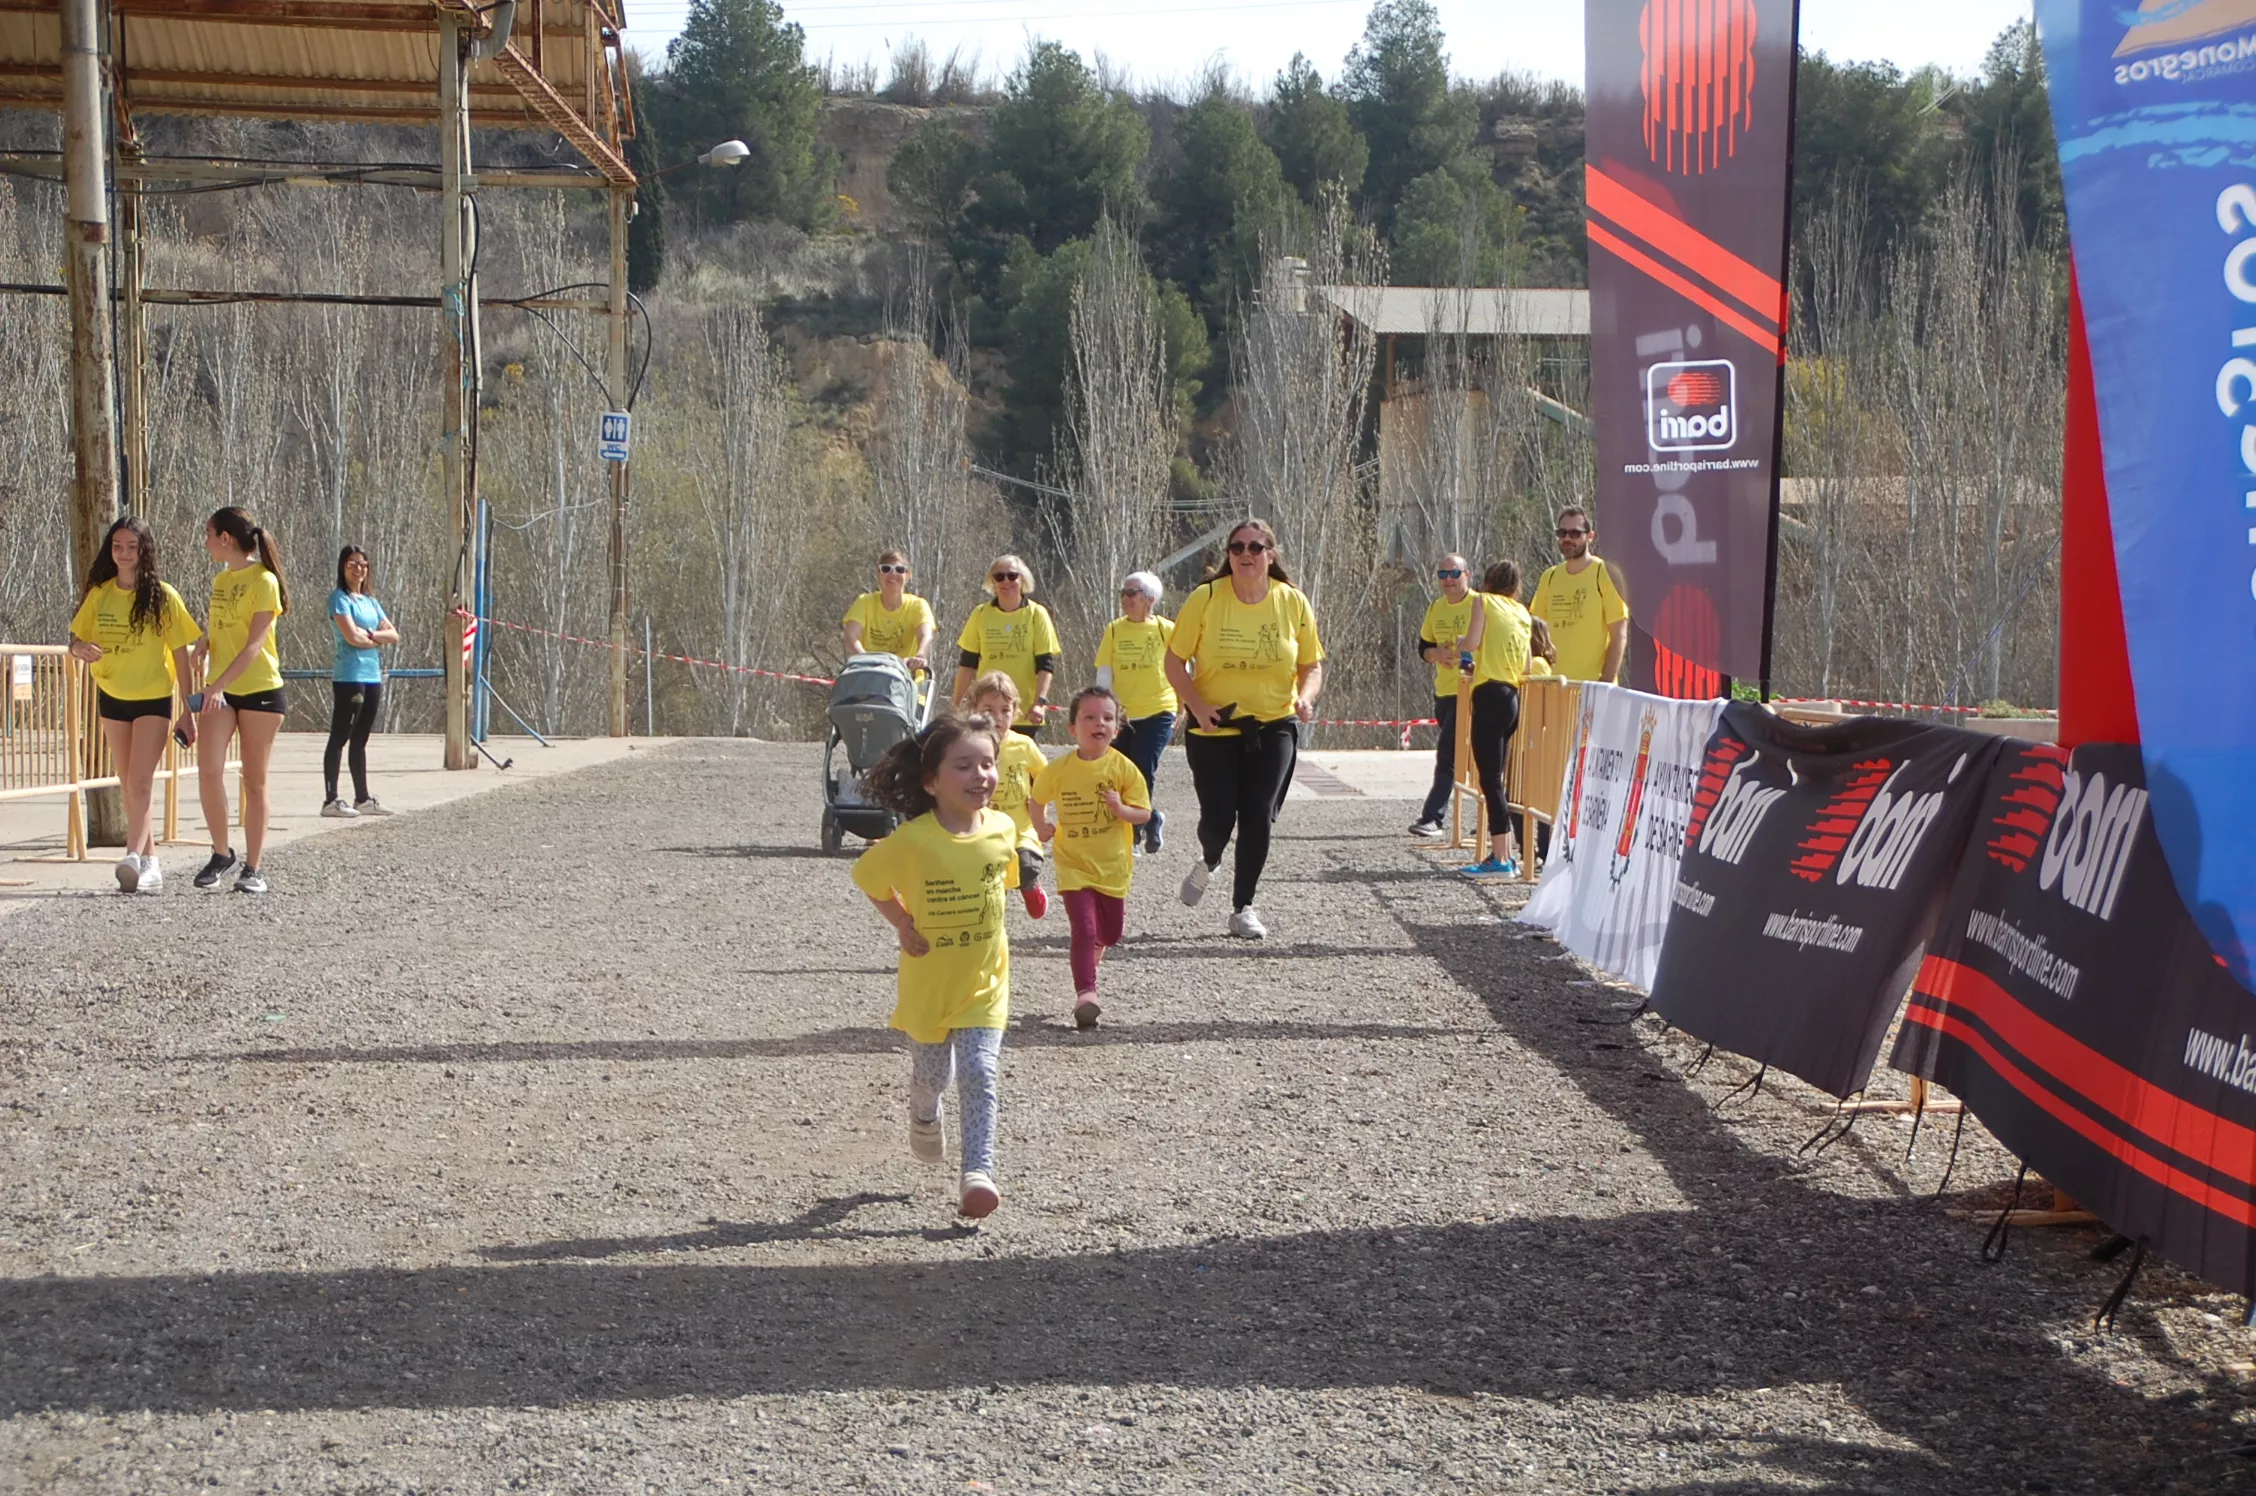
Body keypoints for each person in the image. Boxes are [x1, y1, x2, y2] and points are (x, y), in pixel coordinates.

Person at [851, 711, 1020, 1220]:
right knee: (932, 1076)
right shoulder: (915, 840)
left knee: (979, 1069)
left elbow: (1005, 875)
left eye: (988, 764)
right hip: (929, 986)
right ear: (932, 781)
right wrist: (903, 924)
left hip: (985, 983)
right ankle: (924, 1113)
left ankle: (978, 1173)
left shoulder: (1003, 829)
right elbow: (868, 877)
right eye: (964, 766)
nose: (981, 776)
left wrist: (1032, 881)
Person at [1163, 518, 1325, 940]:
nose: (1246, 555)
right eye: (1237, 548)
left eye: (1256, 547)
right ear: (1229, 556)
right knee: (1218, 820)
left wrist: (1305, 697)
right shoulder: (1206, 598)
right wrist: (1196, 707)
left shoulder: (1292, 602)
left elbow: (1311, 665)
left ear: (1271, 553)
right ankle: (1210, 858)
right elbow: (1173, 662)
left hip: (1273, 725)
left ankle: (1243, 908)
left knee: (1258, 815)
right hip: (1214, 724)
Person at [66, 516, 203, 895]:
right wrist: (79, 648)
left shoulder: (163, 595)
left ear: (144, 550)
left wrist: (189, 710)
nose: (124, 553)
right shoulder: (100, 593)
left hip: (153, 698)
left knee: (141, 780)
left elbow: (181, 655)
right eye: (118, 546)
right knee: (129, 784)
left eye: (132, 546)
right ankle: (151, 864)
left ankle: (130, 856)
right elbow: (76, 636)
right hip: (112, 696)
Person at [1029, 687, 1151, 1029]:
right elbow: (1036, 798)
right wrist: (1041, 827)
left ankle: (1095, 951)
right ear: (1073, 729)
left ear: (1117, 728)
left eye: (1108, 718)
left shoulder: (1124, 769)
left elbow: (1143, 813)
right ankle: (1086, 994)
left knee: (1109, 934)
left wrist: (1121, 809)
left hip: (1113, 866)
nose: (1100, 723)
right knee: (1082, 928)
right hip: (1073, 863)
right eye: (1090, 717)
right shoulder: (1060, 769)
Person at [189, 506, 289, 896]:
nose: (206, 541)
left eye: (209, 533)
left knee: (254, 781)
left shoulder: (264, 580)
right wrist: (205, 640)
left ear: (225, 538)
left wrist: (216, 687)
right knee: (209, 769)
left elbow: (253, 645)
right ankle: (220, 853)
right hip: (223, 688)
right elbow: (225, 627)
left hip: (260, 688)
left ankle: (254, 866)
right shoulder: (220, 580)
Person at [1455, 559, 1537, 878]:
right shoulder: (1522, 612)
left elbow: (1473, 643)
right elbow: (1527, 665)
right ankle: (1504, 853)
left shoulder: (1482, 601)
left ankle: (1501, 857)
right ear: (1516, 587)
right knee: (1497, 778)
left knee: (1490, 779)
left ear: (1488, 582)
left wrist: (1460, 644)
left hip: (1489, 694)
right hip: (1512, 696)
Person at [1093, 571, 1176, 854]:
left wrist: (1186, 705)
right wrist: (1102, 710)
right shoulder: (1114, 630)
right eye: (1123, 593)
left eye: (1132, 594)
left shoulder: (1167, 629)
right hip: (1123, 714)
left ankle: (1133, 832)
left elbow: (1181, 669)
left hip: (1159, 710)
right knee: (1120, 771)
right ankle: (1151, 818)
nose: (1125, 599)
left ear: (1149, 600)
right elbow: (1105, 672)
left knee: (1142, 768)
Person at [1407, 552, 1480, 840]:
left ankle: (1432, 817)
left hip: (1474, 691)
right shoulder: (1436, 608)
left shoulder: (1479, 604)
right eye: (1442, 575)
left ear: (1467, 576)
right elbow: (1422, 647)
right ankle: (1494, 818)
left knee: (1448, 755)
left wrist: (1471, 660)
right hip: (1445, 691)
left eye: (1454, 574)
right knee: (1473, 759)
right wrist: (1435, 654)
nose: (1448, 581)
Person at [324, 546, 399, 820]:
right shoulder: (339, 600)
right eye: (353, 564)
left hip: (371, 674)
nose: (358, 569)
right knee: (340, 736)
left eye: (363, 564)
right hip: (349, 676)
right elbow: (351, 637)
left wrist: (370, 635)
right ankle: (331, 798)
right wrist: (373, 637)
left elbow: (393, 635)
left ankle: (362, 797)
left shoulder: (370, 601)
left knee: (361, 739)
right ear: (343, 567)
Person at [967, 671, 1050, 920]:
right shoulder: (968, 745)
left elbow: (1046, 778)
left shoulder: (1023, 745)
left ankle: (1031, 887)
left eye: (1005, 710)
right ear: (973, 709)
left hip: (1022, 827)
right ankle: (993, 930)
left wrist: (1039, 806)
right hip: (985, 830)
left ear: (1015, 711)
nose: (998, 717)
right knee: (992, 888)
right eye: (988, 709)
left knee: (1027, 866)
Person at [951, 555, 1061, 735]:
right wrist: (956, 707)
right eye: (999, 577)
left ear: (1023, 580)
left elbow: (1045, 665)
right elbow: (967, 665)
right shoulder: (980, 614)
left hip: (1024, 714)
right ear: (992, 582)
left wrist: (1039, 704)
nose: (1006, 582)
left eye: (1012, 576)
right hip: (986, 713)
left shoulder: (1037, 615)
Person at [1529, 506, 1629, 684]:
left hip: (1591, 688)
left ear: (1590, 536)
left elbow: (1619, 633)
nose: (1567, 538)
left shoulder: (1605, 573)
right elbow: (1535, 634)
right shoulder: (1549, 577)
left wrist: (1605, 681)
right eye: (1562, 533)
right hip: (1553, 686)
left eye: (1575, 533)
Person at [841, 549, 935, 672]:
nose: (893, 574)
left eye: (899, 569)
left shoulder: (918, 605)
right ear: (879, 574)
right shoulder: (864, 602)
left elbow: (925, 635)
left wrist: (920, 656)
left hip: (907, 680)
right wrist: (865, 660)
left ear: (907, 575)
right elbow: (850, 636)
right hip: (869, 677)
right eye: (886, 569)